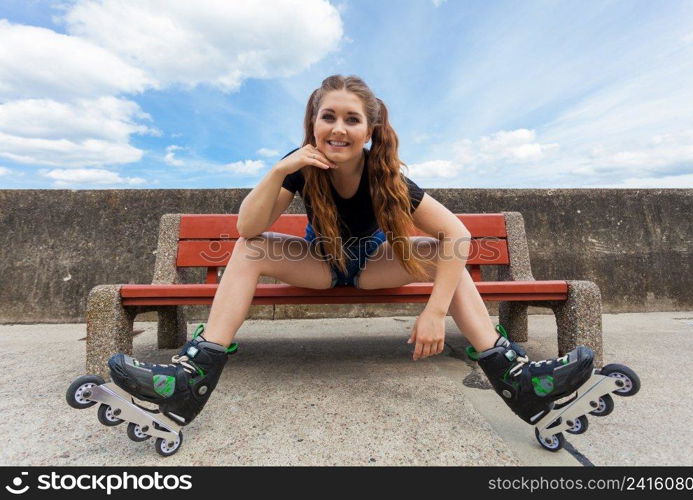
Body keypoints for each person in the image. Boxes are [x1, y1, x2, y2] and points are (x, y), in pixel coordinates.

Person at [108, 75, 595, 429]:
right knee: (250, 248)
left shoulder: (388, 178)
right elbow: (247, 227)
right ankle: (192, 376)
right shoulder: (299, 168)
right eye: (328, 117)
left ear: (370, 130)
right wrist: (279, 171)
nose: (338, 128)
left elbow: (458, 235)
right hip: (320, 265)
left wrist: (434, 311)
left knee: (439, 248)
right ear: (314, 123)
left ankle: (517, 378)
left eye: (351, 119)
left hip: (374, 266)